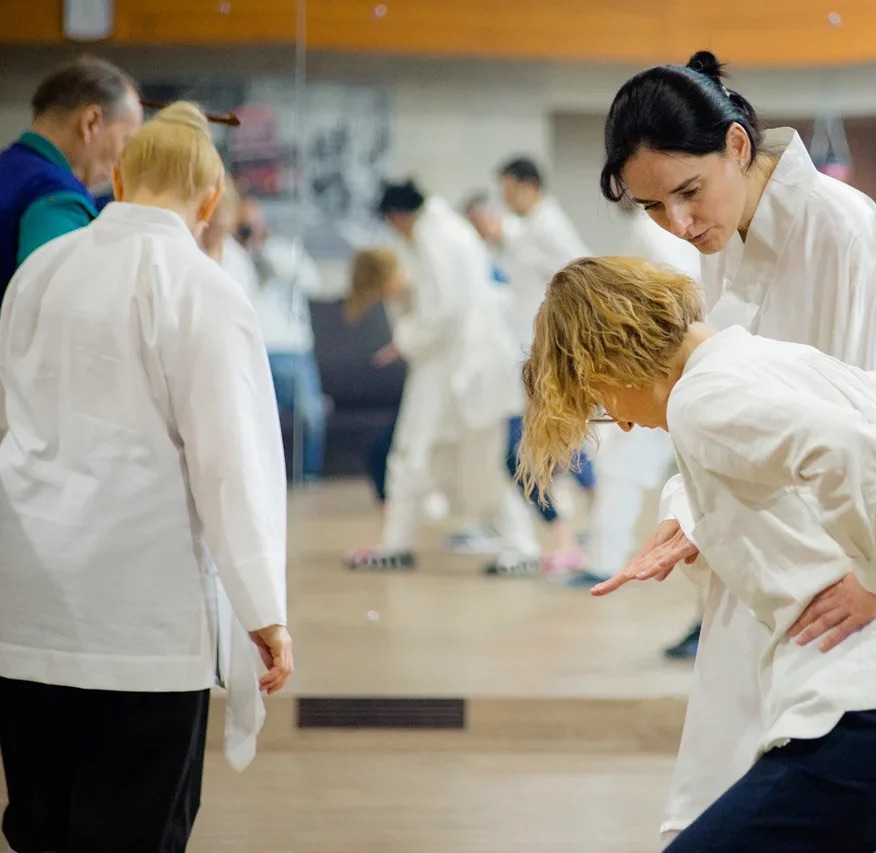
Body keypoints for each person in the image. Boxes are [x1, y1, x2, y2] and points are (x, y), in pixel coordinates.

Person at [517, 256, 876, 852]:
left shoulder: (699, 398)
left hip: (872, 711)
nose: (618, 423)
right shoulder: (783, 363)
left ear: (609, 358)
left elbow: (846, 448)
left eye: (598, 398)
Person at [599, 51, 876, 838]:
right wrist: (689, 509)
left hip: (846, 573)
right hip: (764, 567)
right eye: (654, 207)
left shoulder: (845, 230)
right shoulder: (727, 241)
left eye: (687, 192)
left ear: (737, 145)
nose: (678, 224)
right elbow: (725, 395)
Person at [0, 102, 293, 853]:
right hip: (141, 620)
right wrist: (263, 610)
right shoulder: (202, 289)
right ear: (210, 200)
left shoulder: (39, 273)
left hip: (25, 604)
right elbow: (231, 465)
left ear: (121, 179)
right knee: (133, 832)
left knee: (39, 827)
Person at [345, 182, 536, 573]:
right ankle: (514, 545)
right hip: (463, 367)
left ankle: (518, 546)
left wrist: (406, 339)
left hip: (460, 367)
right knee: (441, 459)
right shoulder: (446, 233)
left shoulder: (437, 237)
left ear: (397, 217)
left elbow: (446, 312)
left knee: (427, 456)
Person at [490, 157, 598, 581]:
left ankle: (571, 538)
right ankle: (582, 533)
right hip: (531, 360)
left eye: (508, 191)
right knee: (562, 449)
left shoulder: (550, 227)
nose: (505, 200)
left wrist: (565, 349)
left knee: (523, 453)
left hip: (546, 360)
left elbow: (583, 279)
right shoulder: (530, 228)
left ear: (528, 185)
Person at [588, 201, 701, 588]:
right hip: (665, 367)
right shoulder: (655, 230)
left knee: (621, 468)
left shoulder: (653, 230)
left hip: (664, 371)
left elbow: (684, 295)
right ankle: (605, 558)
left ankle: (604, 561)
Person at [0, 55, 142, 295]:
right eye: (125, 139)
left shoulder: (8, 168)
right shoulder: (56, 196)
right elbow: (58, 305)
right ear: (91, 122)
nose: (123, 159)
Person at [235, 197, 328, 484]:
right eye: (244, 224)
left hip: (293, 350)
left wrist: (265, 252)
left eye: (254, 223)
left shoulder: (285, 251)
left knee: (311, 415)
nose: (251, 229)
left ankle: (308, 478)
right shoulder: (230, 256)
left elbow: (313, 283)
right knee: (250, 421)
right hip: (252, 350)